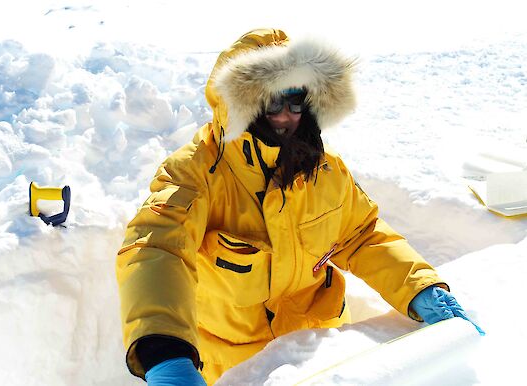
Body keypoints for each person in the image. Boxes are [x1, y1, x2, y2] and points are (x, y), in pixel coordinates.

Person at [116, 28, 482, 385]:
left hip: (326, 354)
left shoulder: (323, 169)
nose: (288, 117)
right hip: (240, 369)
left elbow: (363, 235)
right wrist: (163, 350)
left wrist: (418, 287)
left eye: (298, 103)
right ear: (243, 100)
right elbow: (157, 249)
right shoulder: (197, 172)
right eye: (275, 102)